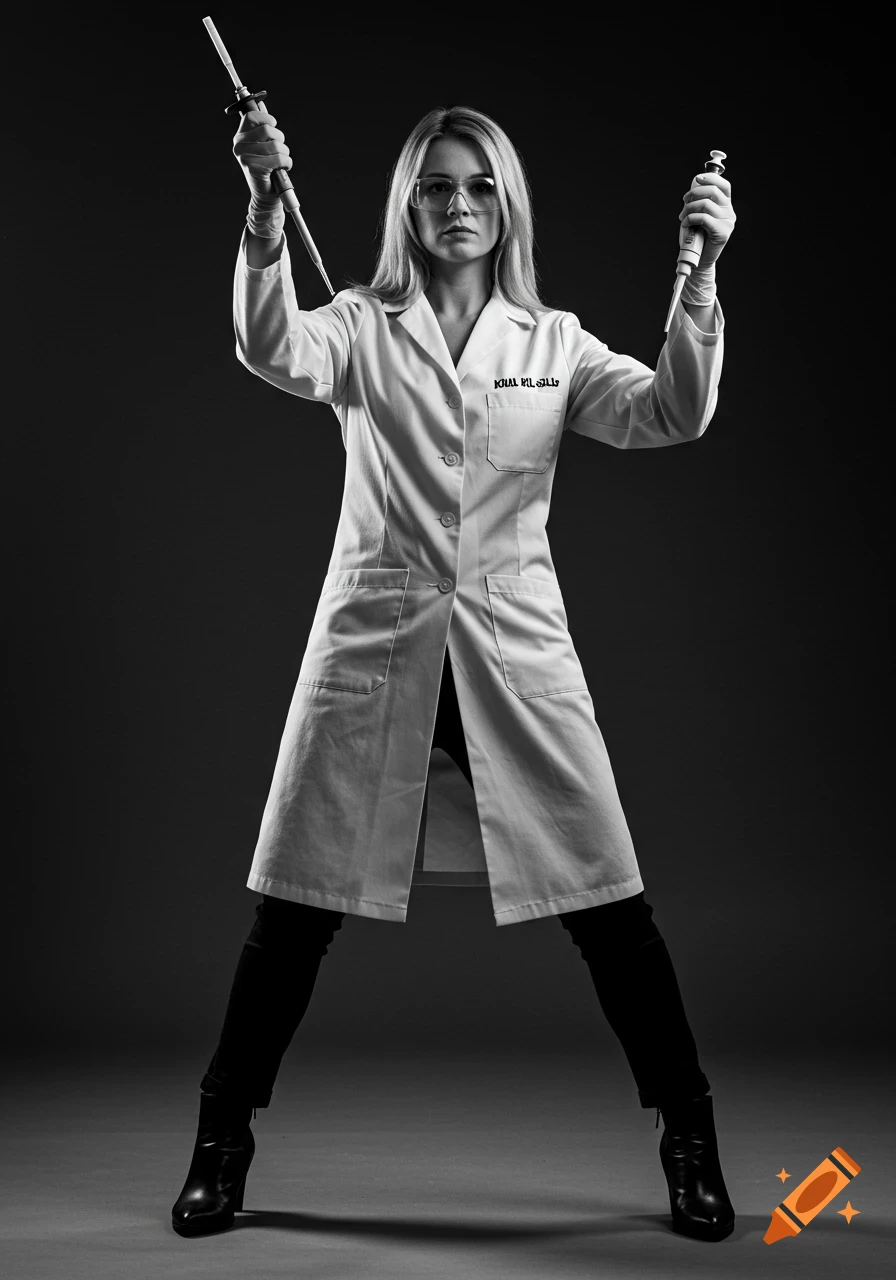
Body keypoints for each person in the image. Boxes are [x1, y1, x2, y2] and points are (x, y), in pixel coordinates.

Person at [172, 104, 737, 1242]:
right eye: (435, 186)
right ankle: (219, 1145)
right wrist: (266, 208)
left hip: (513, 657)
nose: (458, 205)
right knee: (292, 915)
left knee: (611, 909)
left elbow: (671, 412)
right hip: (374, 650)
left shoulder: (552, 342)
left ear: (506, 205)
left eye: (479, 186)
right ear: (408, 205)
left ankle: (689, 1138)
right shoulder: (357, 326)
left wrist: (700, 275)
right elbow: (270, 347)